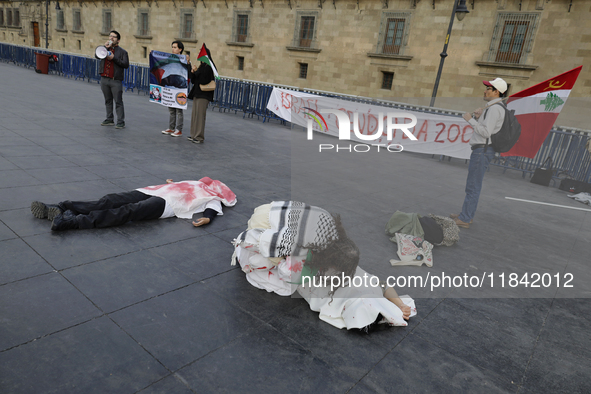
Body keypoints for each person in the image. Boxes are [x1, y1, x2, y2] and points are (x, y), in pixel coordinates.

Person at [232, 201, 416, 332]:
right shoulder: (306, 263)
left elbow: (382, 285)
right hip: (264, 222)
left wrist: (400, 305)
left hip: (275, 210)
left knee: (273, 260)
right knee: (265, 261)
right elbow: (284, 269)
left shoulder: (337, 244)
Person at [30, 177, 236, 231]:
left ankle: (73, 222)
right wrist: (173, 183)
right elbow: (182, 185)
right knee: (110, 199)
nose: (208, 182)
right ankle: (63, 207)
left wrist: (206, 218)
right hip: (152, 191)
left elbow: (211, 211)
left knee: (127, 211)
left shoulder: (214, 198)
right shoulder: (195, 182)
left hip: (166, 205)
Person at [452, 78, 508, 229]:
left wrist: (470, 120)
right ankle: (466, 214)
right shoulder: (494, 107)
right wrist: (478, 117)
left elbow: (485, 132)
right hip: (482, 150)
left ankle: (465, 218)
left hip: (482, 150)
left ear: (497, 92)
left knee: (473, 186)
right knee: (472, 185)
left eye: (488, 88)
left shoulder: (495, 109)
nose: (485, 90)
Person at [98, 30, 130, 129]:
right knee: (107, 100)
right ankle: (109, 119)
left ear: (118, 40)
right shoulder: (104, 48)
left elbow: (125, 64)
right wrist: (104, 48)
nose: (111, 38)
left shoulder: (123, 52)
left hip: (115, 80)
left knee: (118, 101)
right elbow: (97, 55)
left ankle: (121, 121)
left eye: (114, 37)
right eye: (110, 36)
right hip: (104, 78)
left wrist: (114, 58)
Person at [187, 46, 216, 144]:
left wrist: (196, 72)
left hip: (204, 95)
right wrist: (193, 72)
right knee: (195, 115)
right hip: (197, 93)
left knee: (200, 116)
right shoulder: (201, 66)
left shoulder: (209, 67)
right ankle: (193, 134)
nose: (199, 54)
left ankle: (199, 136)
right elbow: (195, 81)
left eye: (201, 52)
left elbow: (204, 80)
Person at [161, 41, 190, 138]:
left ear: (180, 49)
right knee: (171, 109)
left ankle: (179, 130)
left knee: (179, 110)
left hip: (180, 89)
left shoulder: (185, 59)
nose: (173, 49)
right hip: (170, 88)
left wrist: (188, 62)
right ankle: (171, 127)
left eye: (175, 47)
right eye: (172, 47)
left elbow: (188, 73)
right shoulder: (169, 58)